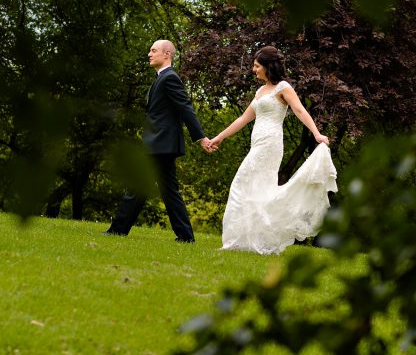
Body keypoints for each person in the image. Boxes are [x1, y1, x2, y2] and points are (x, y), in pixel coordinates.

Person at [207, 45, 337, 254]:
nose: (253, 69)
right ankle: (250, 241)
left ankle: (243, 241)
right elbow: (244, 118)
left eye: (257, 66)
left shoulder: (283, 87)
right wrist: (219, 137)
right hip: (257, 143)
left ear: (269, 67)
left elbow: (299, 110)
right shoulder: (260, 91)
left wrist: (317, 134)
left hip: (270, 143)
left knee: (241, 184)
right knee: (256, 191)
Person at [104, 39, 212, 243]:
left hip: (161, 143)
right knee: (168, 191)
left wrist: (200, 137)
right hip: (160, 142)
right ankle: (185, 236)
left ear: (167, 54)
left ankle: (118, 230)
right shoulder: (162, 78)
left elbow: (185, 108)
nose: (149, 54)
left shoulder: (170, 78)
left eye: (154, 50)